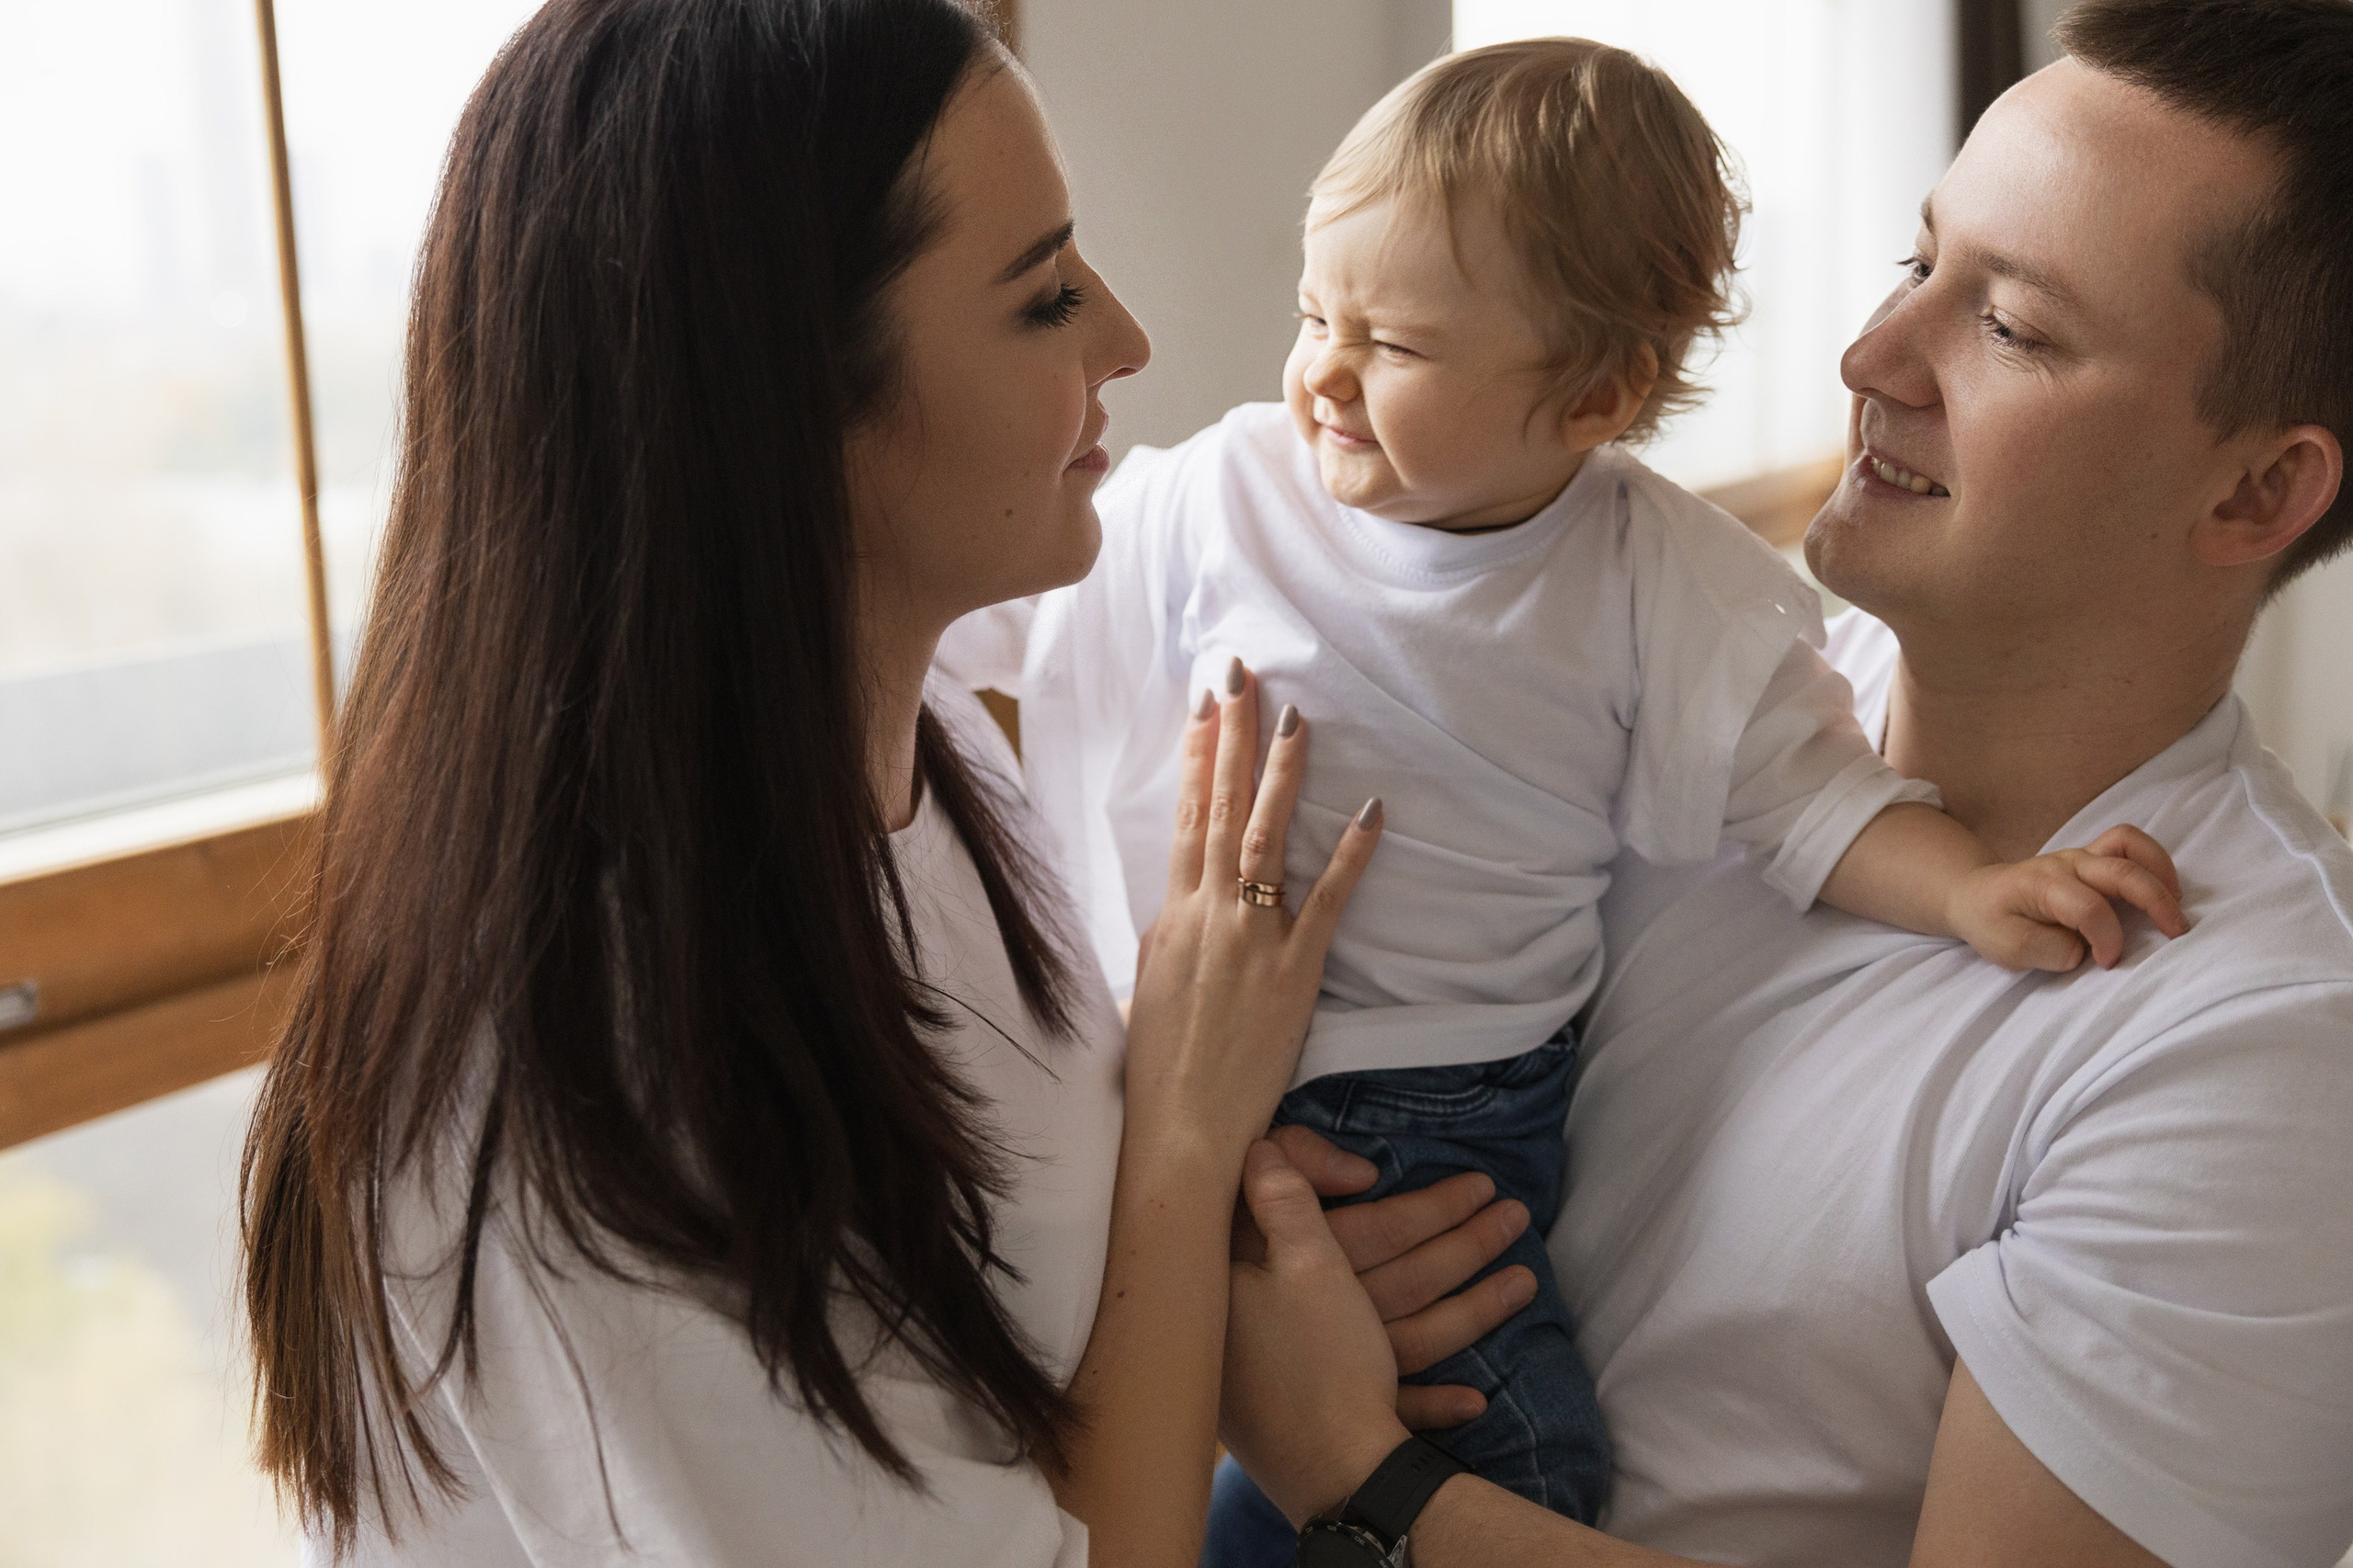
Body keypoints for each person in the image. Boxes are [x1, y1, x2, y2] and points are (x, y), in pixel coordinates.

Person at [234, 4, 1536, 1564]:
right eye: (1046, 293)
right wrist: (1190, 1150)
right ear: (789, 403)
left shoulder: (918, 752)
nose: (1126, 339)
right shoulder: (590, 1067)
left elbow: (1017, 1338)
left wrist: (1241, 1277)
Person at [939, 36, 2186, 1555]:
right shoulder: (1226, 494)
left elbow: (1813, 801)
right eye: (1312, 313)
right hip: (1179, 1067)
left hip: (1441, 1110)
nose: (1322, 370)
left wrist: (1975, 889)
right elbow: (977, 612)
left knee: (1498, 1432)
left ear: (1596, 395)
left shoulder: (1652, 583)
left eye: (1391, 346)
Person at [1214, 2, 2353, 1565]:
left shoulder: (2263, 1048)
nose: (1871, 355)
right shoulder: (1664, 679)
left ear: (2258, 487)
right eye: (1916, 262)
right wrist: (1254, 1239)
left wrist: (1350, 1467)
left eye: (2011, 326)